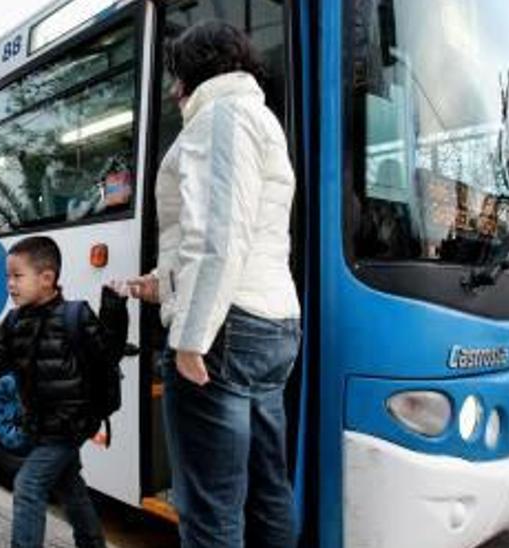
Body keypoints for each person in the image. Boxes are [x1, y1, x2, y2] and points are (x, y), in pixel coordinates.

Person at [123, 21, 302, 548]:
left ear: (191, 73)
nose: (174, 89)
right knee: (267, 491)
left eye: (176, 75)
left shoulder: (219, 117)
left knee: (210, 508)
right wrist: (159, 283)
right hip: (270, 326)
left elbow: (219, 235)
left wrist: (190, 337)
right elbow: (241, 234)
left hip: (226, 331)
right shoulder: (258, 117)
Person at [0, 236, 128, 548]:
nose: (10, 284)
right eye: (7, 277)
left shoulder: (75, 315)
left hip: (71, 423)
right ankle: (92, 543)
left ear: (47, 279)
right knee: (70, 487)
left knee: (28, 485)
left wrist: (114, 308)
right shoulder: (14, 322)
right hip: (39, 423)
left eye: (17, 276)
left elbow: (108, 353)